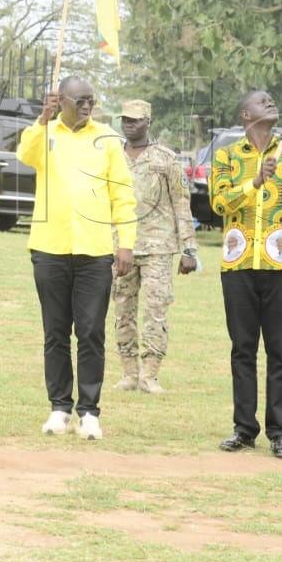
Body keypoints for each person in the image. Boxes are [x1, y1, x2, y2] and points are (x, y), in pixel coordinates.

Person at [17, 76, 135, 441]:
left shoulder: (108, 139)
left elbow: (122, 194)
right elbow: (26, 156)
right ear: (61, 100)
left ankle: (89, 411)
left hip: (95, 250)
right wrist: (43, 120)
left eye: (91, 101)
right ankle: (59, 408)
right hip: (49, 248)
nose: (86, 107)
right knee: (55, 333)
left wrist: (126, 242)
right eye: (80, 101)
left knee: (90, 332)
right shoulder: (44, 132)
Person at [212, 90, 282, 459]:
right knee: (242, 349)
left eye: (272, 99)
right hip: (239, 265)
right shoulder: (227, 155)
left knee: (280, 352)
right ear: (246, 113)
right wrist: (255, 182)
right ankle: (244, 429)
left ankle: (280, 431)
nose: (271, 102)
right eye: (262, 100)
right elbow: (218, 201)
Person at [112, 99, 198, 394]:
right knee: (122, 309)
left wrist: (189, 248)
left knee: (156, 310)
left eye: (135, 120)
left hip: (158, 247)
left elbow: (181, 202)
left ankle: (150, 374)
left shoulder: (165, 158)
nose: (128, 124)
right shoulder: (112, 155)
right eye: (125, 119)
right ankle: (129, 373)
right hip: (118, 245)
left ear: (148, 121)